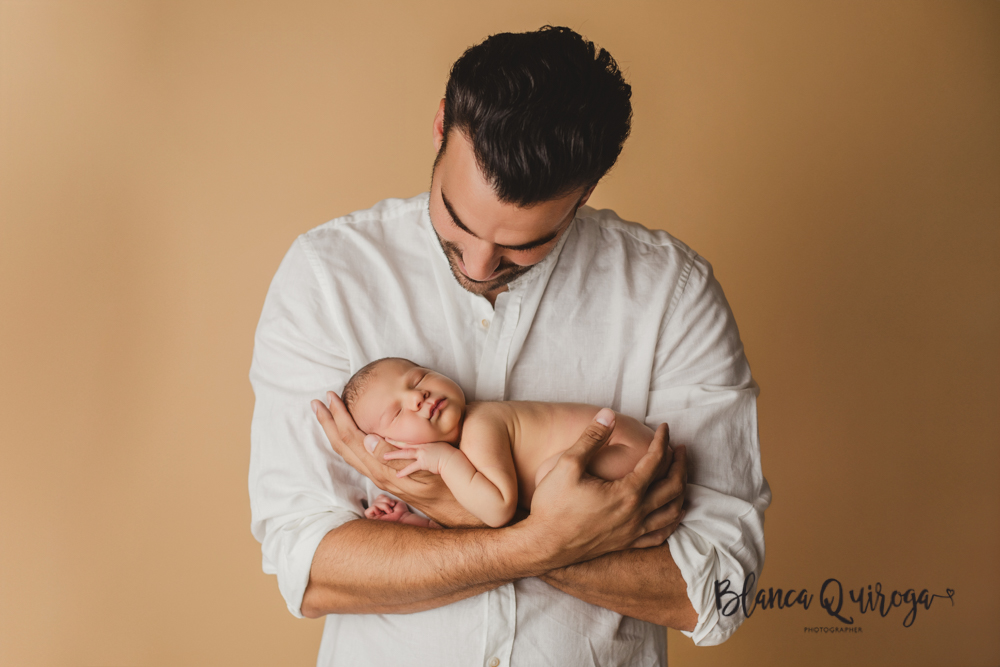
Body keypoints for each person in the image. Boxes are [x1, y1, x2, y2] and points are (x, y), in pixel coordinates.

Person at [250, 26, 769, 666]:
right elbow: (311, 565)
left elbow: (715, 590)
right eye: (456, 221)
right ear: (442, 124)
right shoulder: (328, 278)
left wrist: (450, 509)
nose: (476, 263)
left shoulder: (672, 294)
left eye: (522, 245)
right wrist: (546, 539)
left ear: (586, 190)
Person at [341, 357, 673, 528]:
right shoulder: (465, 452)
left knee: (554, 485)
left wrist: (443, 461)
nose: (417, 396)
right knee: (554, 491)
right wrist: (414, 520)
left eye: (418, 378)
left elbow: (498, 510)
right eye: (398, 411)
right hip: (629, 450)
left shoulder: (479, 424)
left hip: (625, 449)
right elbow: (468, 517)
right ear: (389, 445)